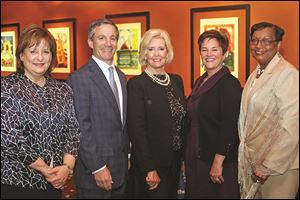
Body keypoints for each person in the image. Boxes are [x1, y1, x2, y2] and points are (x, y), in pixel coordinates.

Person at [1, 24, 80, 199]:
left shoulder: (63, 90)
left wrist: (66, 168)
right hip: (18, 183)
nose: (40, 57)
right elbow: (10, 140)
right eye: (33, 51)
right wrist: (47, 171)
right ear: (21, 55)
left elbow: (73, 132)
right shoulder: (7, 89)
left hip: (56, 183)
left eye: (46, 51)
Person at [66, 19, 129, 199]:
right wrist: (97, 167)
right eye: (102, 38)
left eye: (113, 38)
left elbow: (121, 124)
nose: (108, 43)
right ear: (90, 42)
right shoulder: (79, 78)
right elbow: (81, 129)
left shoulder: (121, 76)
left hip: (121, 170)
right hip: (94, 174)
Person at [238, 22, 299, 199]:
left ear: (278, 44)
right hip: (255, 164)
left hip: (280, 168)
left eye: (266, 41)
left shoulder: (288, 74)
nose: (259, 46)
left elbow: (292, 125)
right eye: (255, 41)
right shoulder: (257, 73)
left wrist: (268, 164)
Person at [126, 29, 187, 199]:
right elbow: (137, 131)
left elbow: (182, 122)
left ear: (168, 51)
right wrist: (149, 168)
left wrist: (183, 159)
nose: (156, 54)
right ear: (144, 53)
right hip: (151, 165)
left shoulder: (176, 81)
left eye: (161, 48)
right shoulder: (136, 85)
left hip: (175, 162)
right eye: (150, 49)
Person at [184, 30, 242, 199]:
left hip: (216, 159)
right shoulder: (200, 81)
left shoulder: (229, 84)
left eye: (214, 49)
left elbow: (229, 126)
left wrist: (218, 162)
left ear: (224, 54)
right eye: (204, 49)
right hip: (196, 153)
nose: (209, 54)